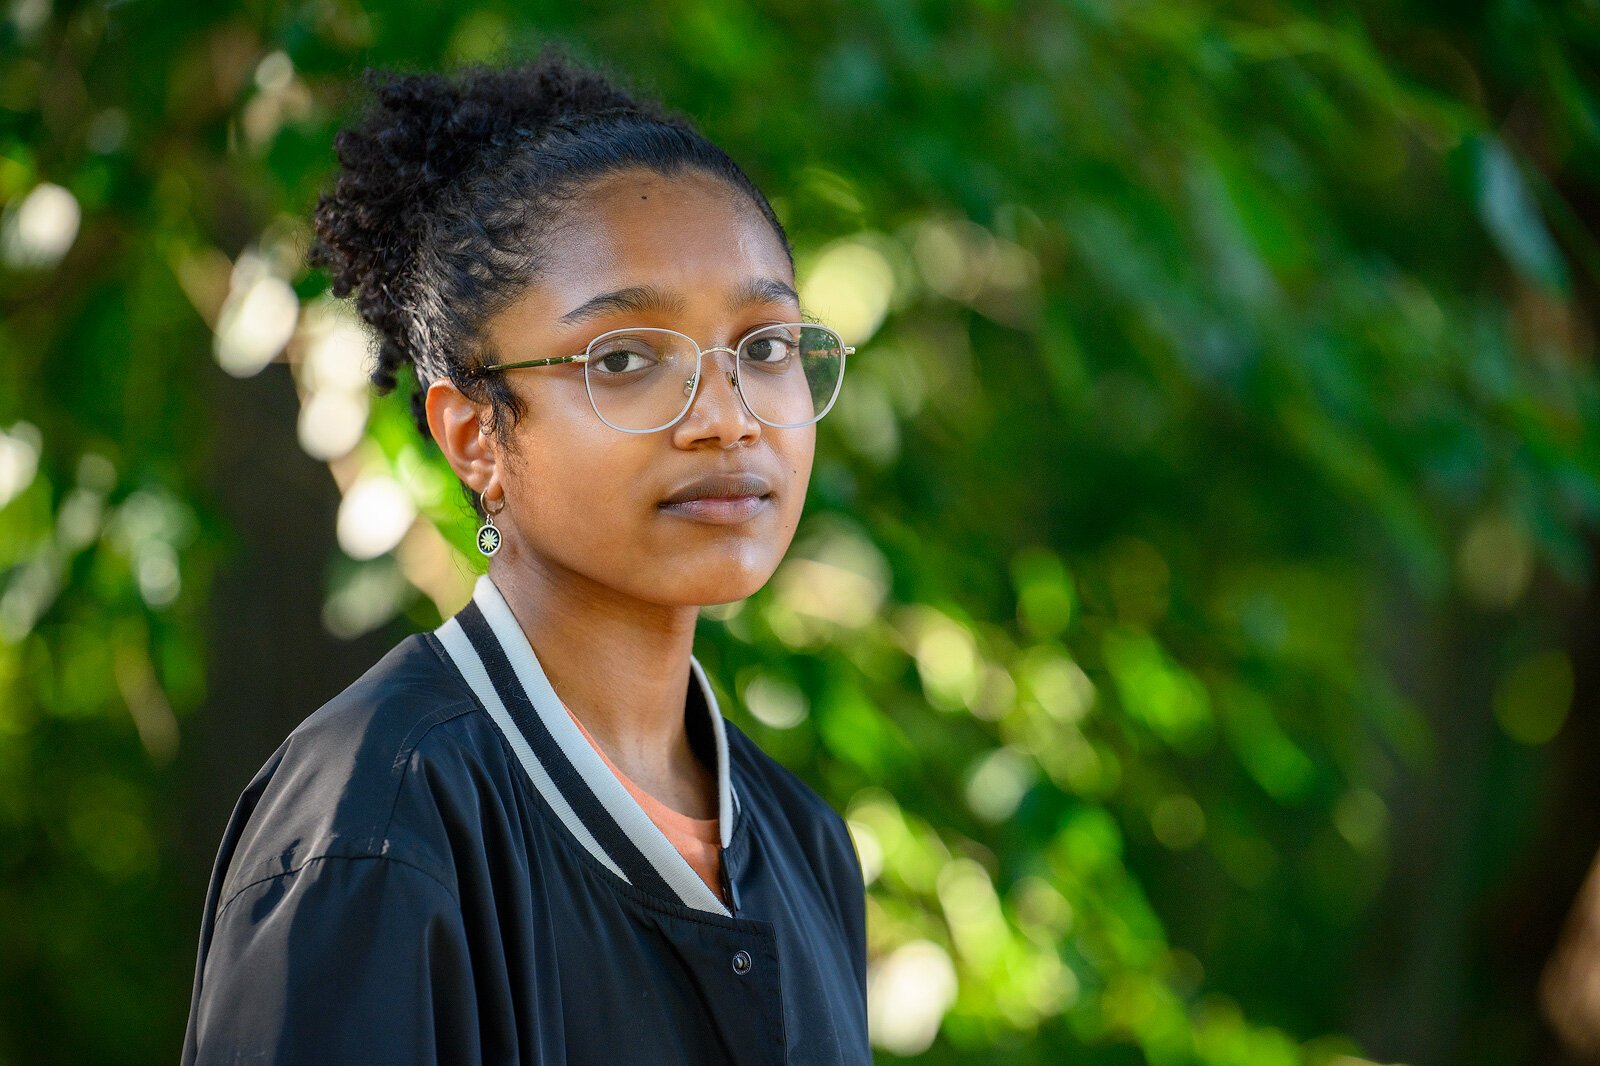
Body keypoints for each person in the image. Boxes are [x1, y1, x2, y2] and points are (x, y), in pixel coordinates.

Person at [181, 46, 869, 1065]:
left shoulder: (804, 842)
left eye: (764, 347)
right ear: (476, 435)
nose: (727, 419)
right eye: (626, 358)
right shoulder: (372, 824)